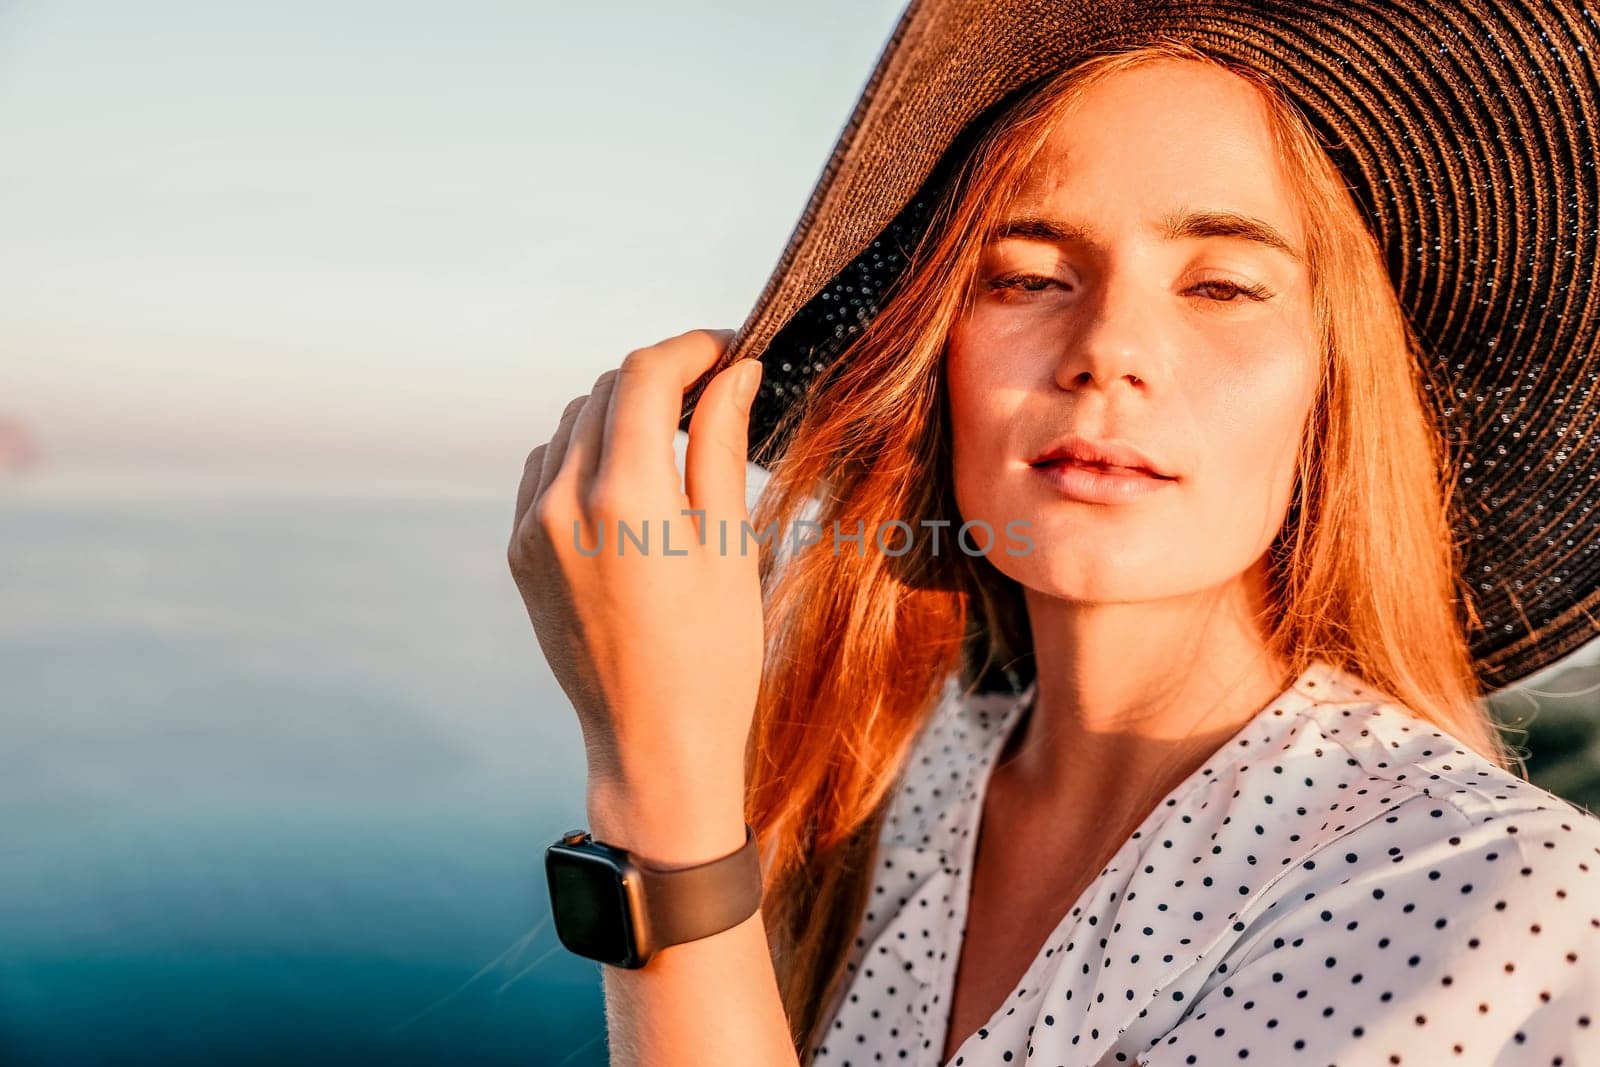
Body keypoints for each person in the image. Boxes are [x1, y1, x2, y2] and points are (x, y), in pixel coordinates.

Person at [508, 8, 1600, 1067]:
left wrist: (663, 781)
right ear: (935, 357)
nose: (1108, 348)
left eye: (1221, 283)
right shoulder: (893, 787)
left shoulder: (1484, 898)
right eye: (1026, 276)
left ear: (1331, 388)